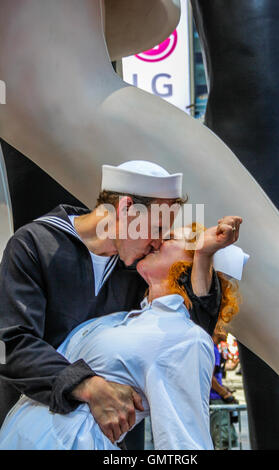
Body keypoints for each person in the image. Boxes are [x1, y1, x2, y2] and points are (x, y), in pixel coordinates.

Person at [0, 159, 243, 446]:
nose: (158, 241)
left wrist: (201, 256)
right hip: (30, 428)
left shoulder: (138, 267)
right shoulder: (35, 245)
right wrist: (88, 386)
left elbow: (187, 331)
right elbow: (12, 344)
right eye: (158, 227)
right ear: (127, 209)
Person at [209, 330, 239, 450]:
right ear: (216, 330)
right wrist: (224, 394)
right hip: (216, 400)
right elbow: (210, 378)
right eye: (225, 330)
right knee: (223, 439)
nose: (227, 333)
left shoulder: (212, 347)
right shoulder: (213, 349)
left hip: (215, 399)